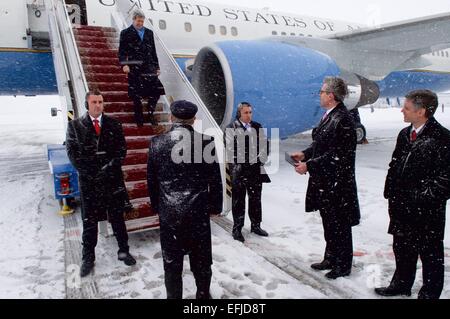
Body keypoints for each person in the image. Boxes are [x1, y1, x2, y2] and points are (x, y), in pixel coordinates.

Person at [375, 90, 450, 299]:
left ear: (422, 111)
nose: (402, 110)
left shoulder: (442, 137)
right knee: (402, 249)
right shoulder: (404, 134)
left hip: (427, 211)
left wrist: (423, 197)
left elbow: (446, 179)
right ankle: (401, 284)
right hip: (401, 206)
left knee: (430, 255)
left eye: (406, 108)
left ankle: (429, 293)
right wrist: (390, 190)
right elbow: (395, 164)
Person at [147, 100, 223, 299]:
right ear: (194, 119)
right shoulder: (206, 142)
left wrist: (158, 207)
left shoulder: (157, 143)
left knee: (172, 263)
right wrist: (215, 207)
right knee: (202, 260)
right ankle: (203, 295)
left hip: (170, 216)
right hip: (197, 214)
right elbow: (214, 179)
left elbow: (152, 182)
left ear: (172, 117)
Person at [291, 77, 360, 280]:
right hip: (325, 182)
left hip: (337, 184)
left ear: (331, 96)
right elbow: (321, 145)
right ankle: (331, 257)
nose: (319, 95)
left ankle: (343, 264)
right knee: (329, 223)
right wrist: (304, 153)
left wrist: (309, 165)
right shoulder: (330, 116)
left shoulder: (344, 119)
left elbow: (338, 155)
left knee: (340, 225)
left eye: (321, 92)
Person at [66, 90, 136, 277]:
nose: (98, 105)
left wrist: (107, 168)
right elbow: (73, 154)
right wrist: (91, 172)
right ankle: (88, 258)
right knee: (89, 222)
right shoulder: (74, 126)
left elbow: (121, 150)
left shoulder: (114, 124)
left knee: (118, 218)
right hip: (89, 182)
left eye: (101, 101)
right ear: (87, 104)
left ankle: (124, 250)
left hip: (112, 181)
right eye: (94, 102)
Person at [225, 102, 271, 243]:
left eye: (250, 112)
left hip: (255, 170)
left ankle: (256, 225)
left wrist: (260, 159)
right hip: (239, 171)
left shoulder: (257, 126)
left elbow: (265, 146)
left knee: (256, 200)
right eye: (246, 112)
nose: (249, 115)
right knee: (238, 201)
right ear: (239, 113)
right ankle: (237, 228)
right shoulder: (231, 128)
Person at [118, 9, 164, 127]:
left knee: (157, 91)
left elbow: (153, 50)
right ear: (133, 20)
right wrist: (125, 64)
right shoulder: (125, 33)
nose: (140, 23)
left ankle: (150, 112)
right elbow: (122, 51)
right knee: (136, 95)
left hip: (149, 67)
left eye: (142, 21)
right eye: (138, 21)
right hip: (135, 68)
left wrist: (157, 66)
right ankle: (139, 117)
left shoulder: (149, 32)